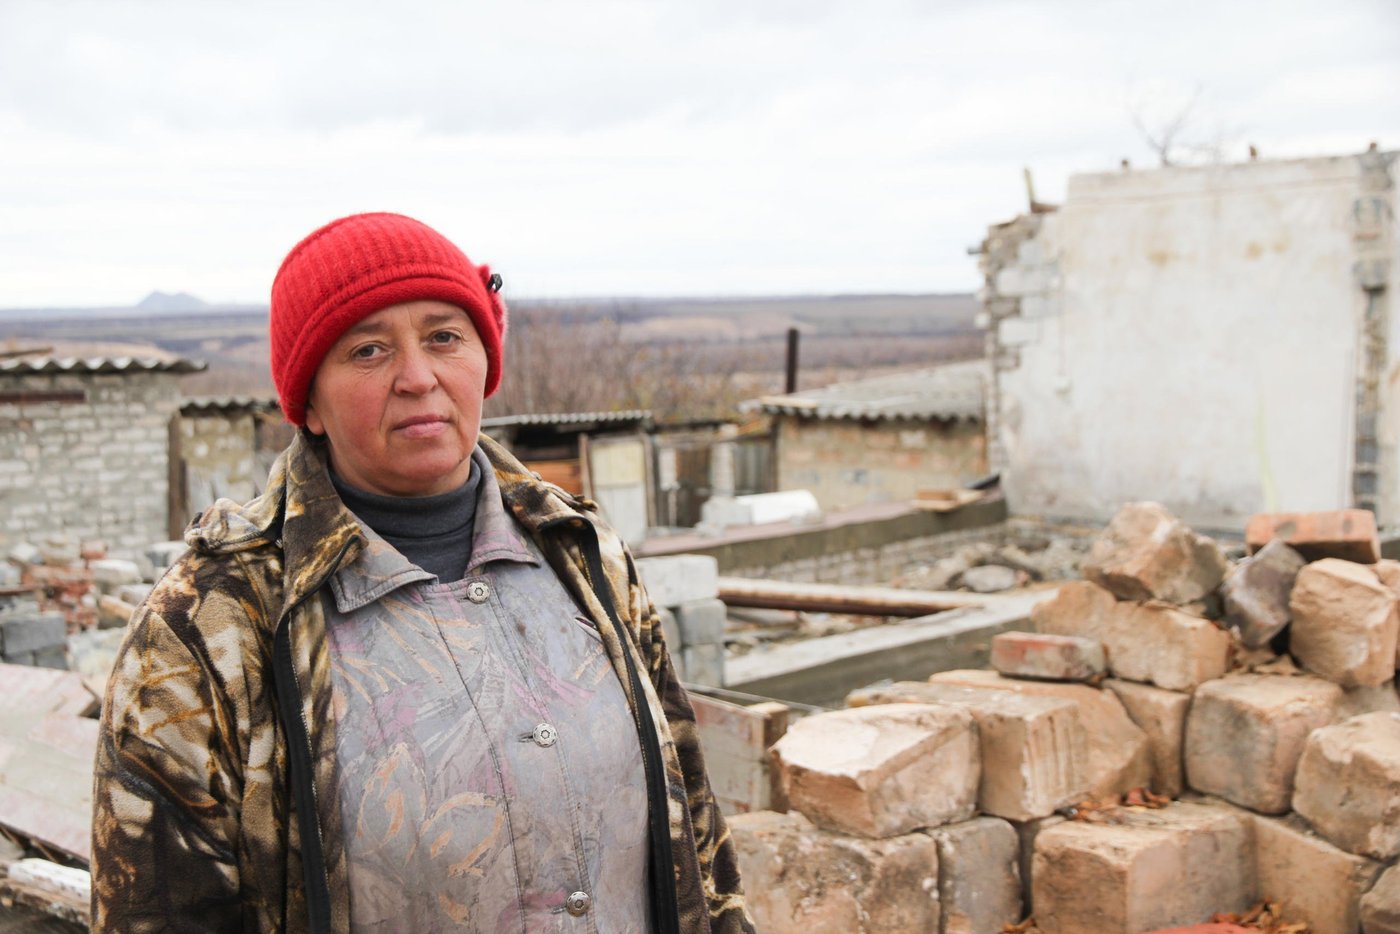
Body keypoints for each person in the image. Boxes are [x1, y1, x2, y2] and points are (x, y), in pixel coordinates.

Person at [91, 212, 752, 933]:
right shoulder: (214, 621)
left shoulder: (580, 550)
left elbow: (694, 825)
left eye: (444, 336)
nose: (417, 377)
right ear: (308, 401)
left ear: (485, 360)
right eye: (368, 350)